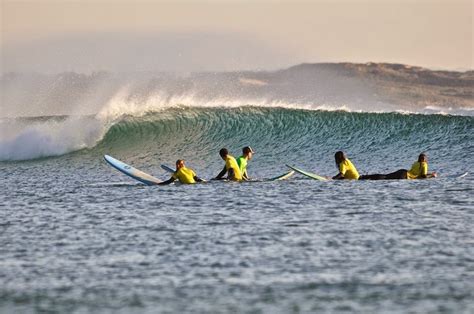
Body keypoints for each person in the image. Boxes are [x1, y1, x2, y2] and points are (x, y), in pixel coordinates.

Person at [359, 153, 437, 180]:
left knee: (385, 176)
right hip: (405, 176)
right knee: (385, 178)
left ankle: (364, 177)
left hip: (403, 171)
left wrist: (429, 174)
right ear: (425, 159)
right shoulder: (424, 164)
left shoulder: (416, 163)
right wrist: (432, 175)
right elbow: (423, 176)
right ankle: (366, 177)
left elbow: (418, 174)